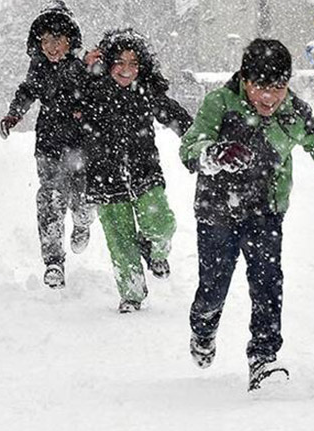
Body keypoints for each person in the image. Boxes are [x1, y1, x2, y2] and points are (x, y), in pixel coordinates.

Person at [179, 39, 314, 390]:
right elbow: (190, 149)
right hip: (217, 213)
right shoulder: (219, 104)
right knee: (213, 288)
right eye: (260, 89)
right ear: (245, 81)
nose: (269, 98)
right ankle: (203, 328)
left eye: (278, 88)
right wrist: (216, 154)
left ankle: (264, 359)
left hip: (266, 213)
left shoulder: (292, 111)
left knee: (268, 285)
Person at [81, 29, 192, 313]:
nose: (127, 70)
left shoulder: (145, 90)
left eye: (133, 63)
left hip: (144, 170)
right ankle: (131, 294)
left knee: (162, 223)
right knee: (120, 241)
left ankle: (155, 250)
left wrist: (197, 141)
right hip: (104, 175)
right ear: (106, 63)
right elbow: (63, 98)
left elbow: (175, 116)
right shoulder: (90, 88)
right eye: (119, 62)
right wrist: (83, 68)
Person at [0, 1, 94, 289]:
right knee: (51, 199)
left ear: (70, 42)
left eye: (59, 41)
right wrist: (15, 113)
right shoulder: (38, 69)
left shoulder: (81, 68)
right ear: (38, 43)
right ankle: (54, 260)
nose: (53, 47)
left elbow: (96, 96)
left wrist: (83, 109)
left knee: (81, 197)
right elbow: (27, 91)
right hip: (49, 144)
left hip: (79, 144)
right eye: (47, 41)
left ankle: (82, 221)